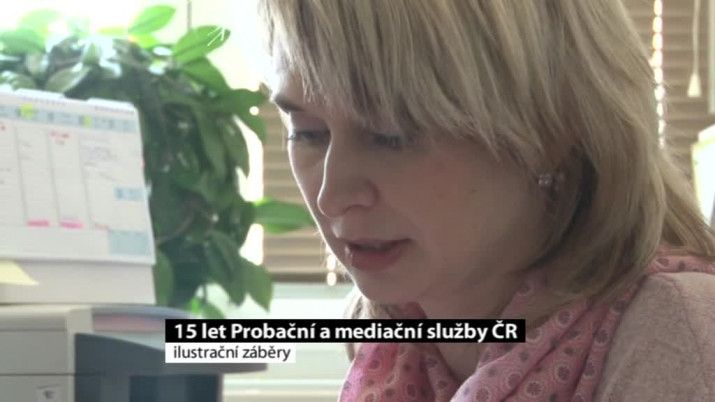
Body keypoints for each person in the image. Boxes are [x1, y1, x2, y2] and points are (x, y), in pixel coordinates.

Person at [254, 0, 715, 400]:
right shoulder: (393, 342)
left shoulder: (674, 331)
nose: (331, 196)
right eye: (307, 133)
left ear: (552, 131)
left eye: (390, 136)